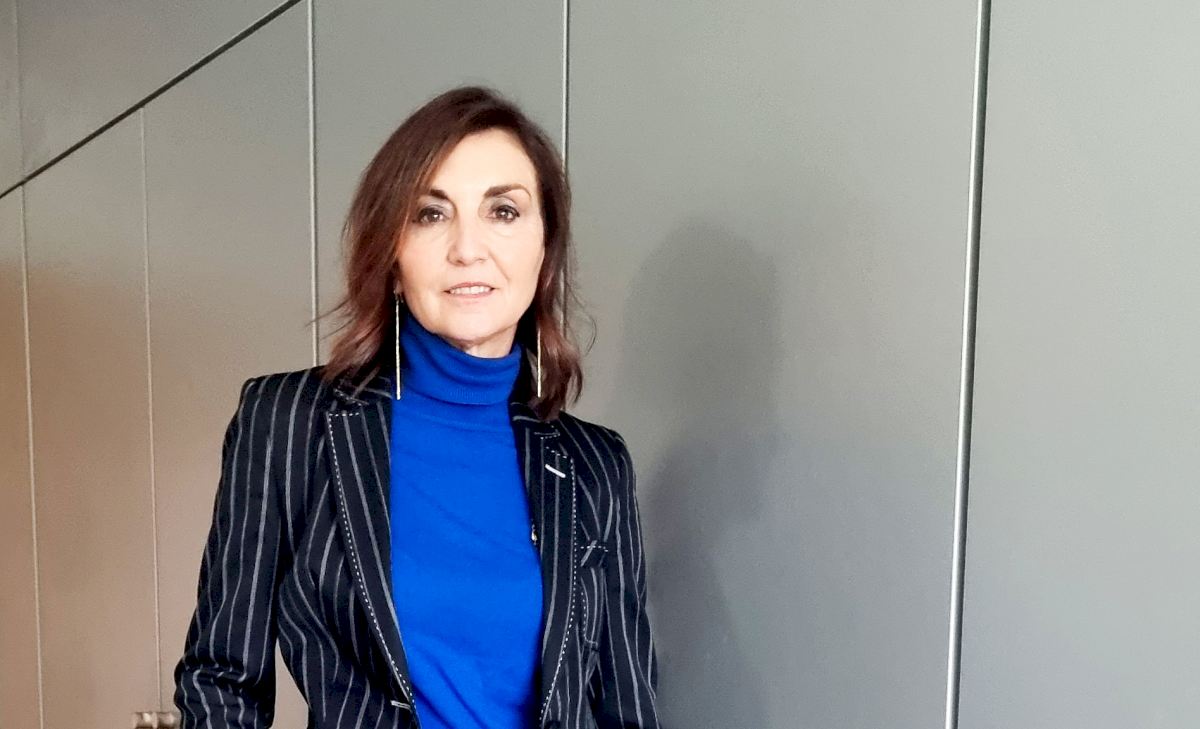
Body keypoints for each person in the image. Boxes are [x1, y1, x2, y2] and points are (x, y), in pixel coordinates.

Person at [172, 85, 661, 729]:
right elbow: (221, 681)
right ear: (393, 256)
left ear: (544, 250)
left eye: (504, 211)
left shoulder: (596, 464)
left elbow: (628, 706)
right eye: (431, 214)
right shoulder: (290, 422)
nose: (467, 248)